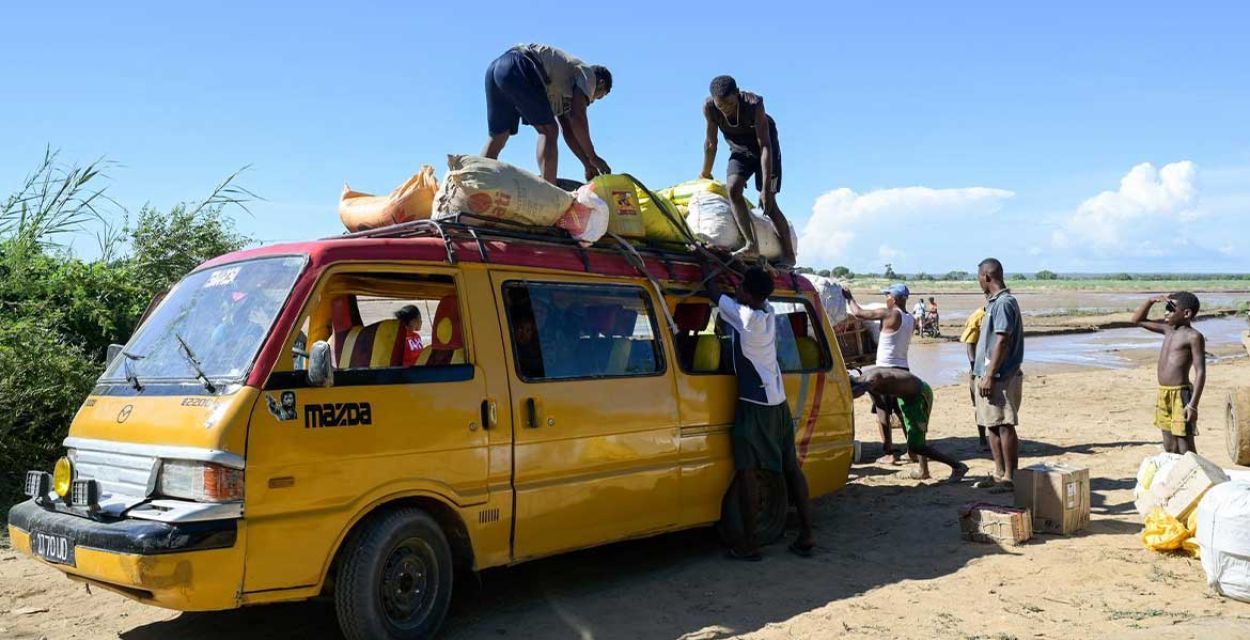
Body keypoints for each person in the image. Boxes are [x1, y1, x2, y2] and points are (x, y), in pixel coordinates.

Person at [704, 263, 814, 560]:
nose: (736, 290)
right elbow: (750, 290)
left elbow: (712, 291)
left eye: (741, 287)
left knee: (747, 472)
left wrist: (706, 264)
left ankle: (749, 544)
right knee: (790, 467)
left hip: (754, 405)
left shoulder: (746, 318)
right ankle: (807, 533)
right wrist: (736, 268)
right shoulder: (767, 312)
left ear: (747, 294)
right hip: (777, 403)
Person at [482, 44, 613, 184]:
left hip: (497, 68)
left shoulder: (562, 86)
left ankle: (477, 180)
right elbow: (577, 116)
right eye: (598, 96)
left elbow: (568, 130)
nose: (592, 101)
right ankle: (547, 188)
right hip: (521, 64)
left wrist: (587, 164)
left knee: (498, 136)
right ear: (600, 83)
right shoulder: (588, 75)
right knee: (549, 131)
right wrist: (593, 157)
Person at [700, 76, 796, 266]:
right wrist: (705, 173)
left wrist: (765, 189)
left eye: (728, 103)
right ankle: (751, 245)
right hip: (740, 150)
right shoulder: (710, 108)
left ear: (737, 94)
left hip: (766, 150)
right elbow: (711, 143)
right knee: (733, 189)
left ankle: (790, 255)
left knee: (769, 205)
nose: (724, 108)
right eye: (720, 105)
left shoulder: (754, 104)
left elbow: (765, 146)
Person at [850, 368, 969, 483]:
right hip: (906, 399)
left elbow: (856, 392)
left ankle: (958, 467)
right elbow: (882, 411)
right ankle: (924, 471)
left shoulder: (872, 378)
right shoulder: (867, 382)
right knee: (916, 438)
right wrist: (887, 445)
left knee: (915, 446)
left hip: (919, 396)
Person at [845, 283, 914, 464]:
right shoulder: (910, 318)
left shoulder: (889, 313)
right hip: (903, 370)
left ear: (895, 298)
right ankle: (913, 450)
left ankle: (889, 453)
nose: (886, 298)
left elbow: (859, 313)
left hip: (884, 370)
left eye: (888, 296)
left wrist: (849, 298)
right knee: (902, 412)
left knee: (883, 411)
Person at [971, 258, 1025, 492]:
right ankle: (998, 473)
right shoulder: (994, 303)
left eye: (979, 279)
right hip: (989, 374)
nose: (979, 283)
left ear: (986, 277)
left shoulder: (1003, 303)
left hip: (1001, 376)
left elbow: (1002, 340)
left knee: (1003, 425)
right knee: (991, 425)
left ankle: (1009, 478)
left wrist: (990, 375)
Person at [1131, 293, 1206, 454]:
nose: (1165, 313)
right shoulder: (1168, 330)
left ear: (1186, 313)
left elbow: (1200, 372)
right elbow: (1137, 320)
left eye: (1170, 309)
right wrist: (1150, 301)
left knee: (1184, 443)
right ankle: (1175, 476)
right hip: (1163, 393)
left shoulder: (1194, 337)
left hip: (1181, 395)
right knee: (1169, 444)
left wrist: (1193, 405)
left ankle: (1193, 475)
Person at [960, 306, 990, 450]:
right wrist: (975, 366)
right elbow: (970, 344)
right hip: (980, 370)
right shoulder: (978, 316)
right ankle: (983, 439)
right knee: (979, 406)